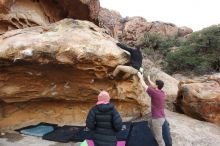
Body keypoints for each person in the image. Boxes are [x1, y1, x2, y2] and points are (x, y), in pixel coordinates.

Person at [137, 72, 172, 146]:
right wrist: (149, 79)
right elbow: (154, 85)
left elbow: (144, 85)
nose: (152, 84)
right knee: (149, 122)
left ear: (157, 86)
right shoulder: (162, 92)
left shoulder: (154, 93)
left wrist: (140, 76)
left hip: (157, 119)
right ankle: (155, 136)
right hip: (160, 117)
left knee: (160, 139)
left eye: (154, 84)